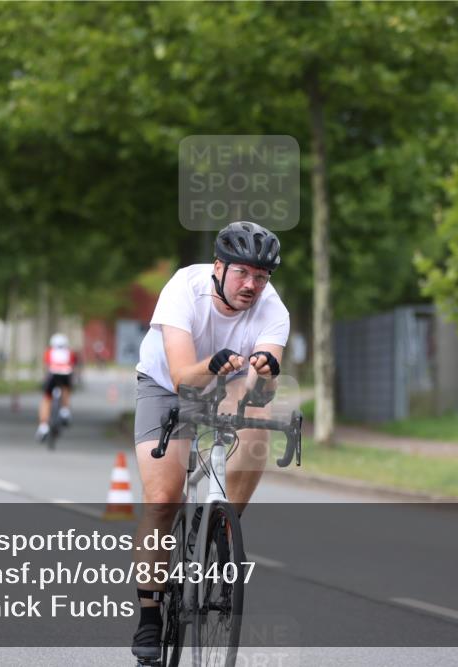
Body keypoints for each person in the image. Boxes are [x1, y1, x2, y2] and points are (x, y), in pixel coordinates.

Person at [130, 221, 289, 661]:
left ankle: (222, 528)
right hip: (167, 384)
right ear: (218, 267)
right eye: (243, 273)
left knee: (259, 417)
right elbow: (183, 377)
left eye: (261, 277)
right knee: (163, 500)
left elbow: (263, 386)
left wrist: (265, 375)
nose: (252, 285)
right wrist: (213, 364)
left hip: (232, 382)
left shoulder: (273, 309)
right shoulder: (184, 287)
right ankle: (149, 615)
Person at [35, 333, 77, 441]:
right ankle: (65, 411)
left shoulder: (49, 352)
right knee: (66, 389)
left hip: (52, 375)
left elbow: (46, 366)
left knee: (46, 399)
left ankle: (43, 426)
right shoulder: (70, 353)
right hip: (66, 375)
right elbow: (73, 366)